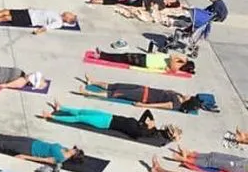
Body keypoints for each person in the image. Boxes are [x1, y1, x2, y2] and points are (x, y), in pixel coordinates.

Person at [38, 100, 181, 143]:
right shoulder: (152, 128)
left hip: (107, 124)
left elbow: (136, 134)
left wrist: (143, 125)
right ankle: (62, 107)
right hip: (111, 116)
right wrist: (151, 121)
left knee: (80, 118)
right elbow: (147, 113)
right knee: (84, 111)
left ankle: (53, 117)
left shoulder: (150, 135)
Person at [0, 127, 83, 169]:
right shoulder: (65, 149)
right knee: (7, 138)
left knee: (4, 145)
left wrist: (25, 157)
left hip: (30, 150)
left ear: (74, 154)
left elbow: (43, 160)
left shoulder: (60, 158)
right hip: (33, 142)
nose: (73, 147)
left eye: (75, 149)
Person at [75, 76, 216, 113]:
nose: (189, 95)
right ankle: (93, 82)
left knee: (115, 93)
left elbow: (160, 105)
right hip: (144, 89)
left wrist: (143, 105)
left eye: (191, 97)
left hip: (143, 96)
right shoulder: (179, 96)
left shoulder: (177, 104)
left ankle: (87, 92)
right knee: (116, 85)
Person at [0, 6, 79, 34]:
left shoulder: (58, 23)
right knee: (5, 11)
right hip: (28, 12)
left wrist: (38, 31)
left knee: (5, 18)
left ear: (68, 19)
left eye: (70, 14)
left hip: (29, 19)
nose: (68, 12)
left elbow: (47, 27)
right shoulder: (58, 15)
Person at [93, 47, 195, 74]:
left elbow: (172, 56)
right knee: (124, 56)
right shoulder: (176, 65)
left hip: (146, 62)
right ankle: (103, 54)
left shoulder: (176, 67)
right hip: (147, 58)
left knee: (123, 58)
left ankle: (101, 56)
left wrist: (182, 58)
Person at [167, 144, 248, 172]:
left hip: (241, 168)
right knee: (214, 155)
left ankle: (185, 159)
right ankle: (189, 154)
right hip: (244, 161)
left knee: (213, 161)